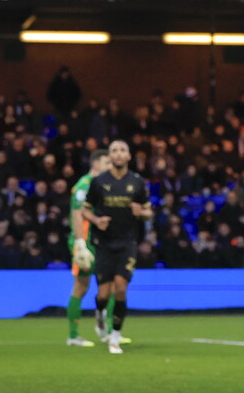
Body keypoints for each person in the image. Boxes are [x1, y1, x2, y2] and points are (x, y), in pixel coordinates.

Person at [81, 140, 153, 354]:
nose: (119, 154)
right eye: (114, 151)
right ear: (110, 157)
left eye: (123, 150)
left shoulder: (137, 182)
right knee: (103, 294)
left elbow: (149, 211)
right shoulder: (99, 182)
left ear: (129, 156)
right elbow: (85, 210)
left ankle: (115, 336)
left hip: (127, 243)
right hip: (103, 244)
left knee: (120, 288)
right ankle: (99, 313)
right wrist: (96, 220)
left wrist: (141, 212)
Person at [66, 148, 115, 347]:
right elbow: (77, 213)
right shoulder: (83, 185)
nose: (110, 166)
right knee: (81, 286)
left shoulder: (103, 185)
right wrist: (80, 244)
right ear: (96, 164)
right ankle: (73, 336)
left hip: (101, 241)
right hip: (85, 241)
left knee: (110, 285)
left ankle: (108, 331)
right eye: (107, 163)